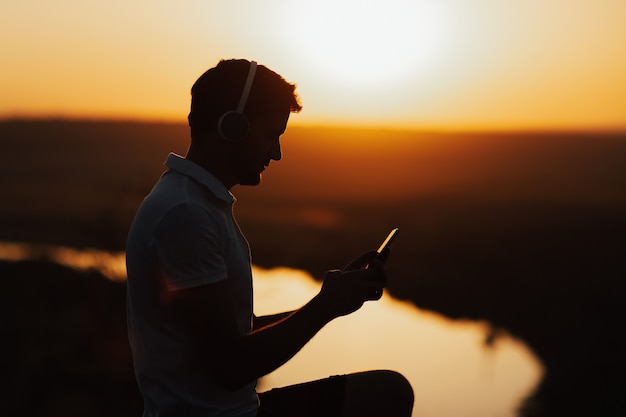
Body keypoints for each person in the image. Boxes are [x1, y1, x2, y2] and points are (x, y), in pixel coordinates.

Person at [126, 59, 414, 417]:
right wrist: (324, 307)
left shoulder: (195, 204)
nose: (276, 153)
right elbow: (230, 367)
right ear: (233, 126)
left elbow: (232, 336)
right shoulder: (185, 215)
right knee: (387, 394)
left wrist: (332, 299)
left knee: (387, 392)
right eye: (270, 135)